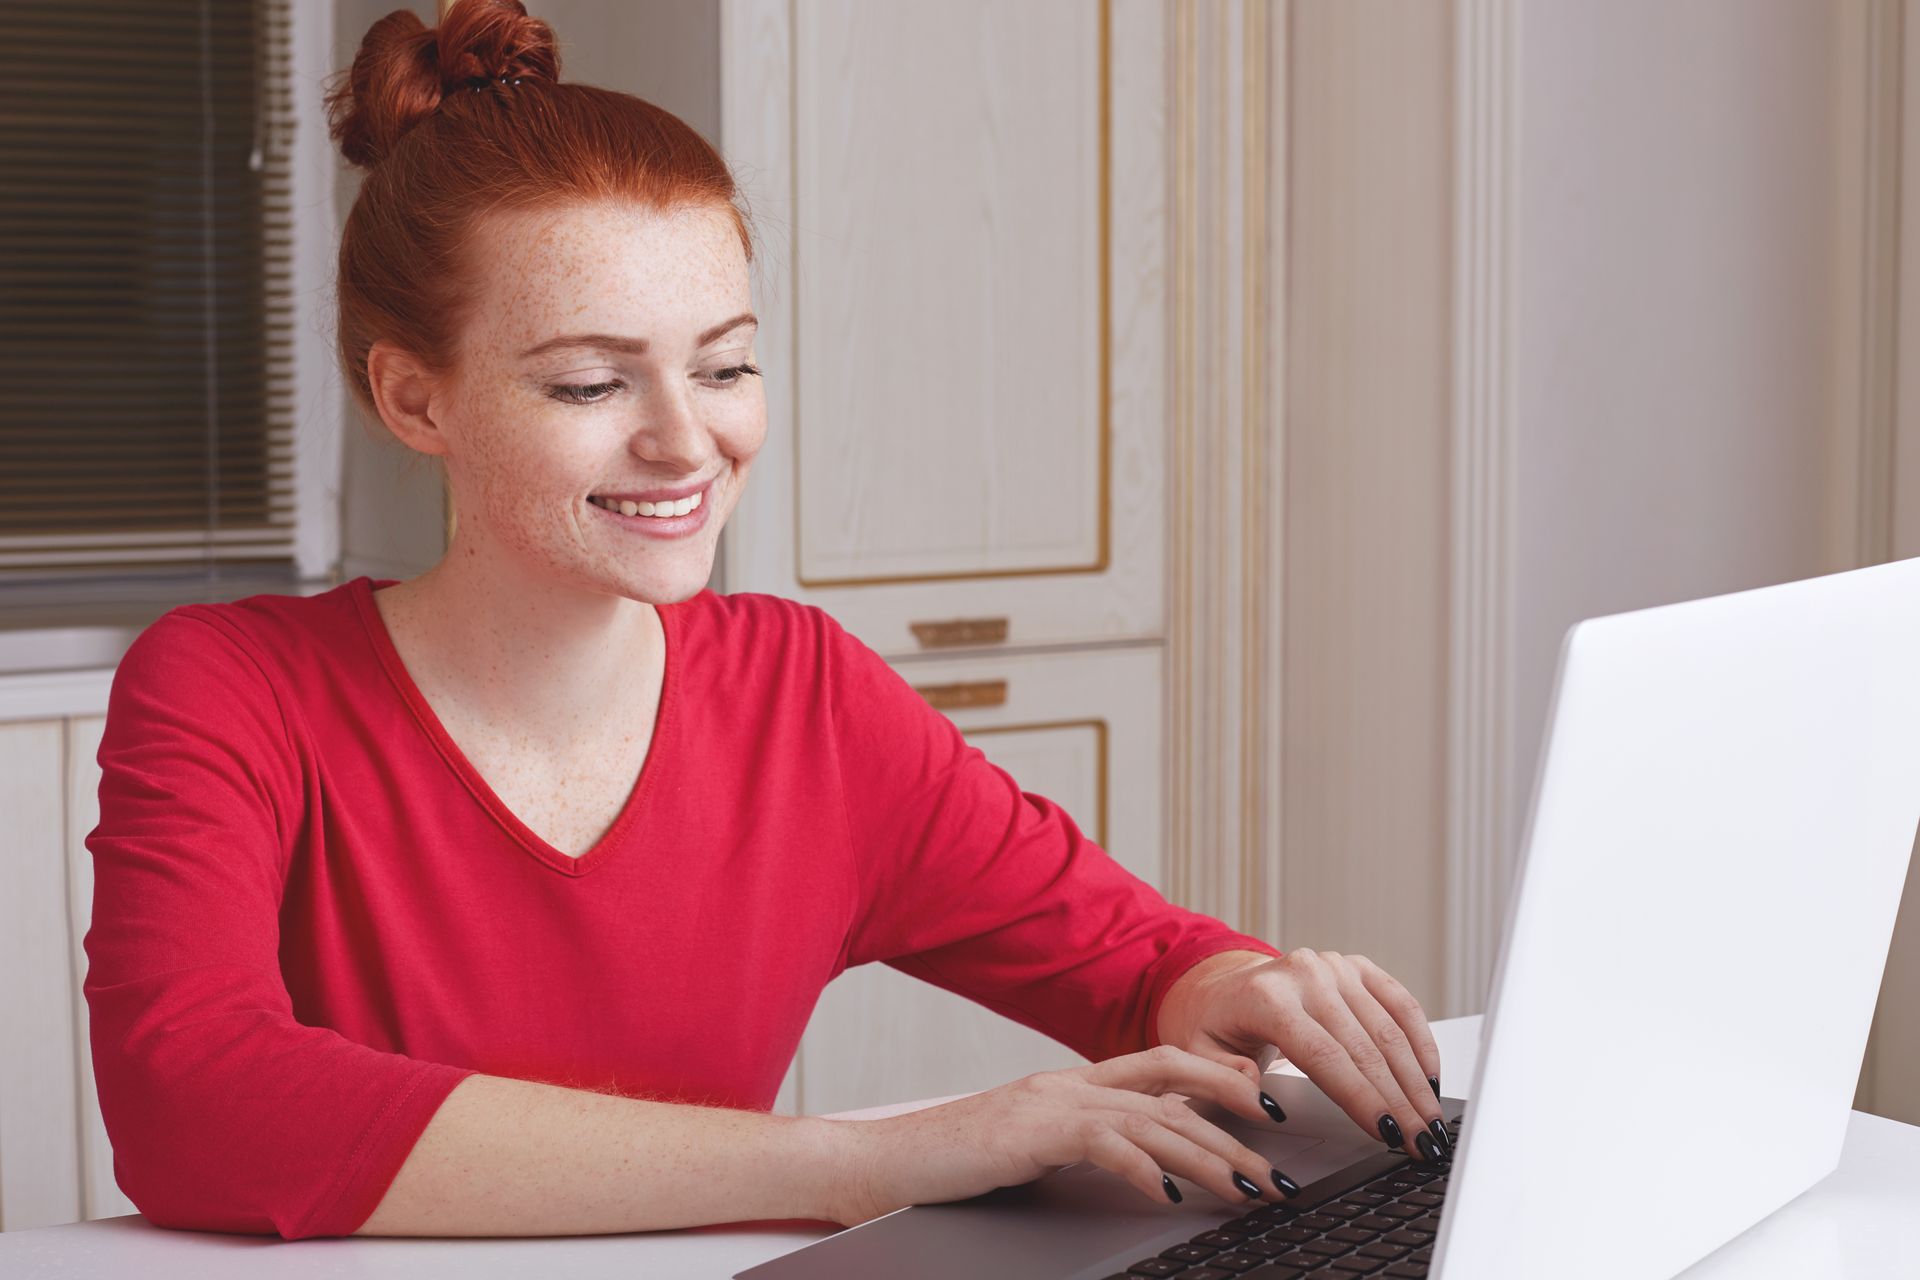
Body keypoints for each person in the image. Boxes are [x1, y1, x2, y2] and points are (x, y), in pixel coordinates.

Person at [81, 0, 1450, 1243]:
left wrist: (1251, 988)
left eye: (726, 364)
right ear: (415, 400)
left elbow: (1130, 961)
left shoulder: (803, 693)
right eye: (586, 387)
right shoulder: (230, 686)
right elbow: (197, 1105)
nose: (688, 442)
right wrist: (880, 1159)